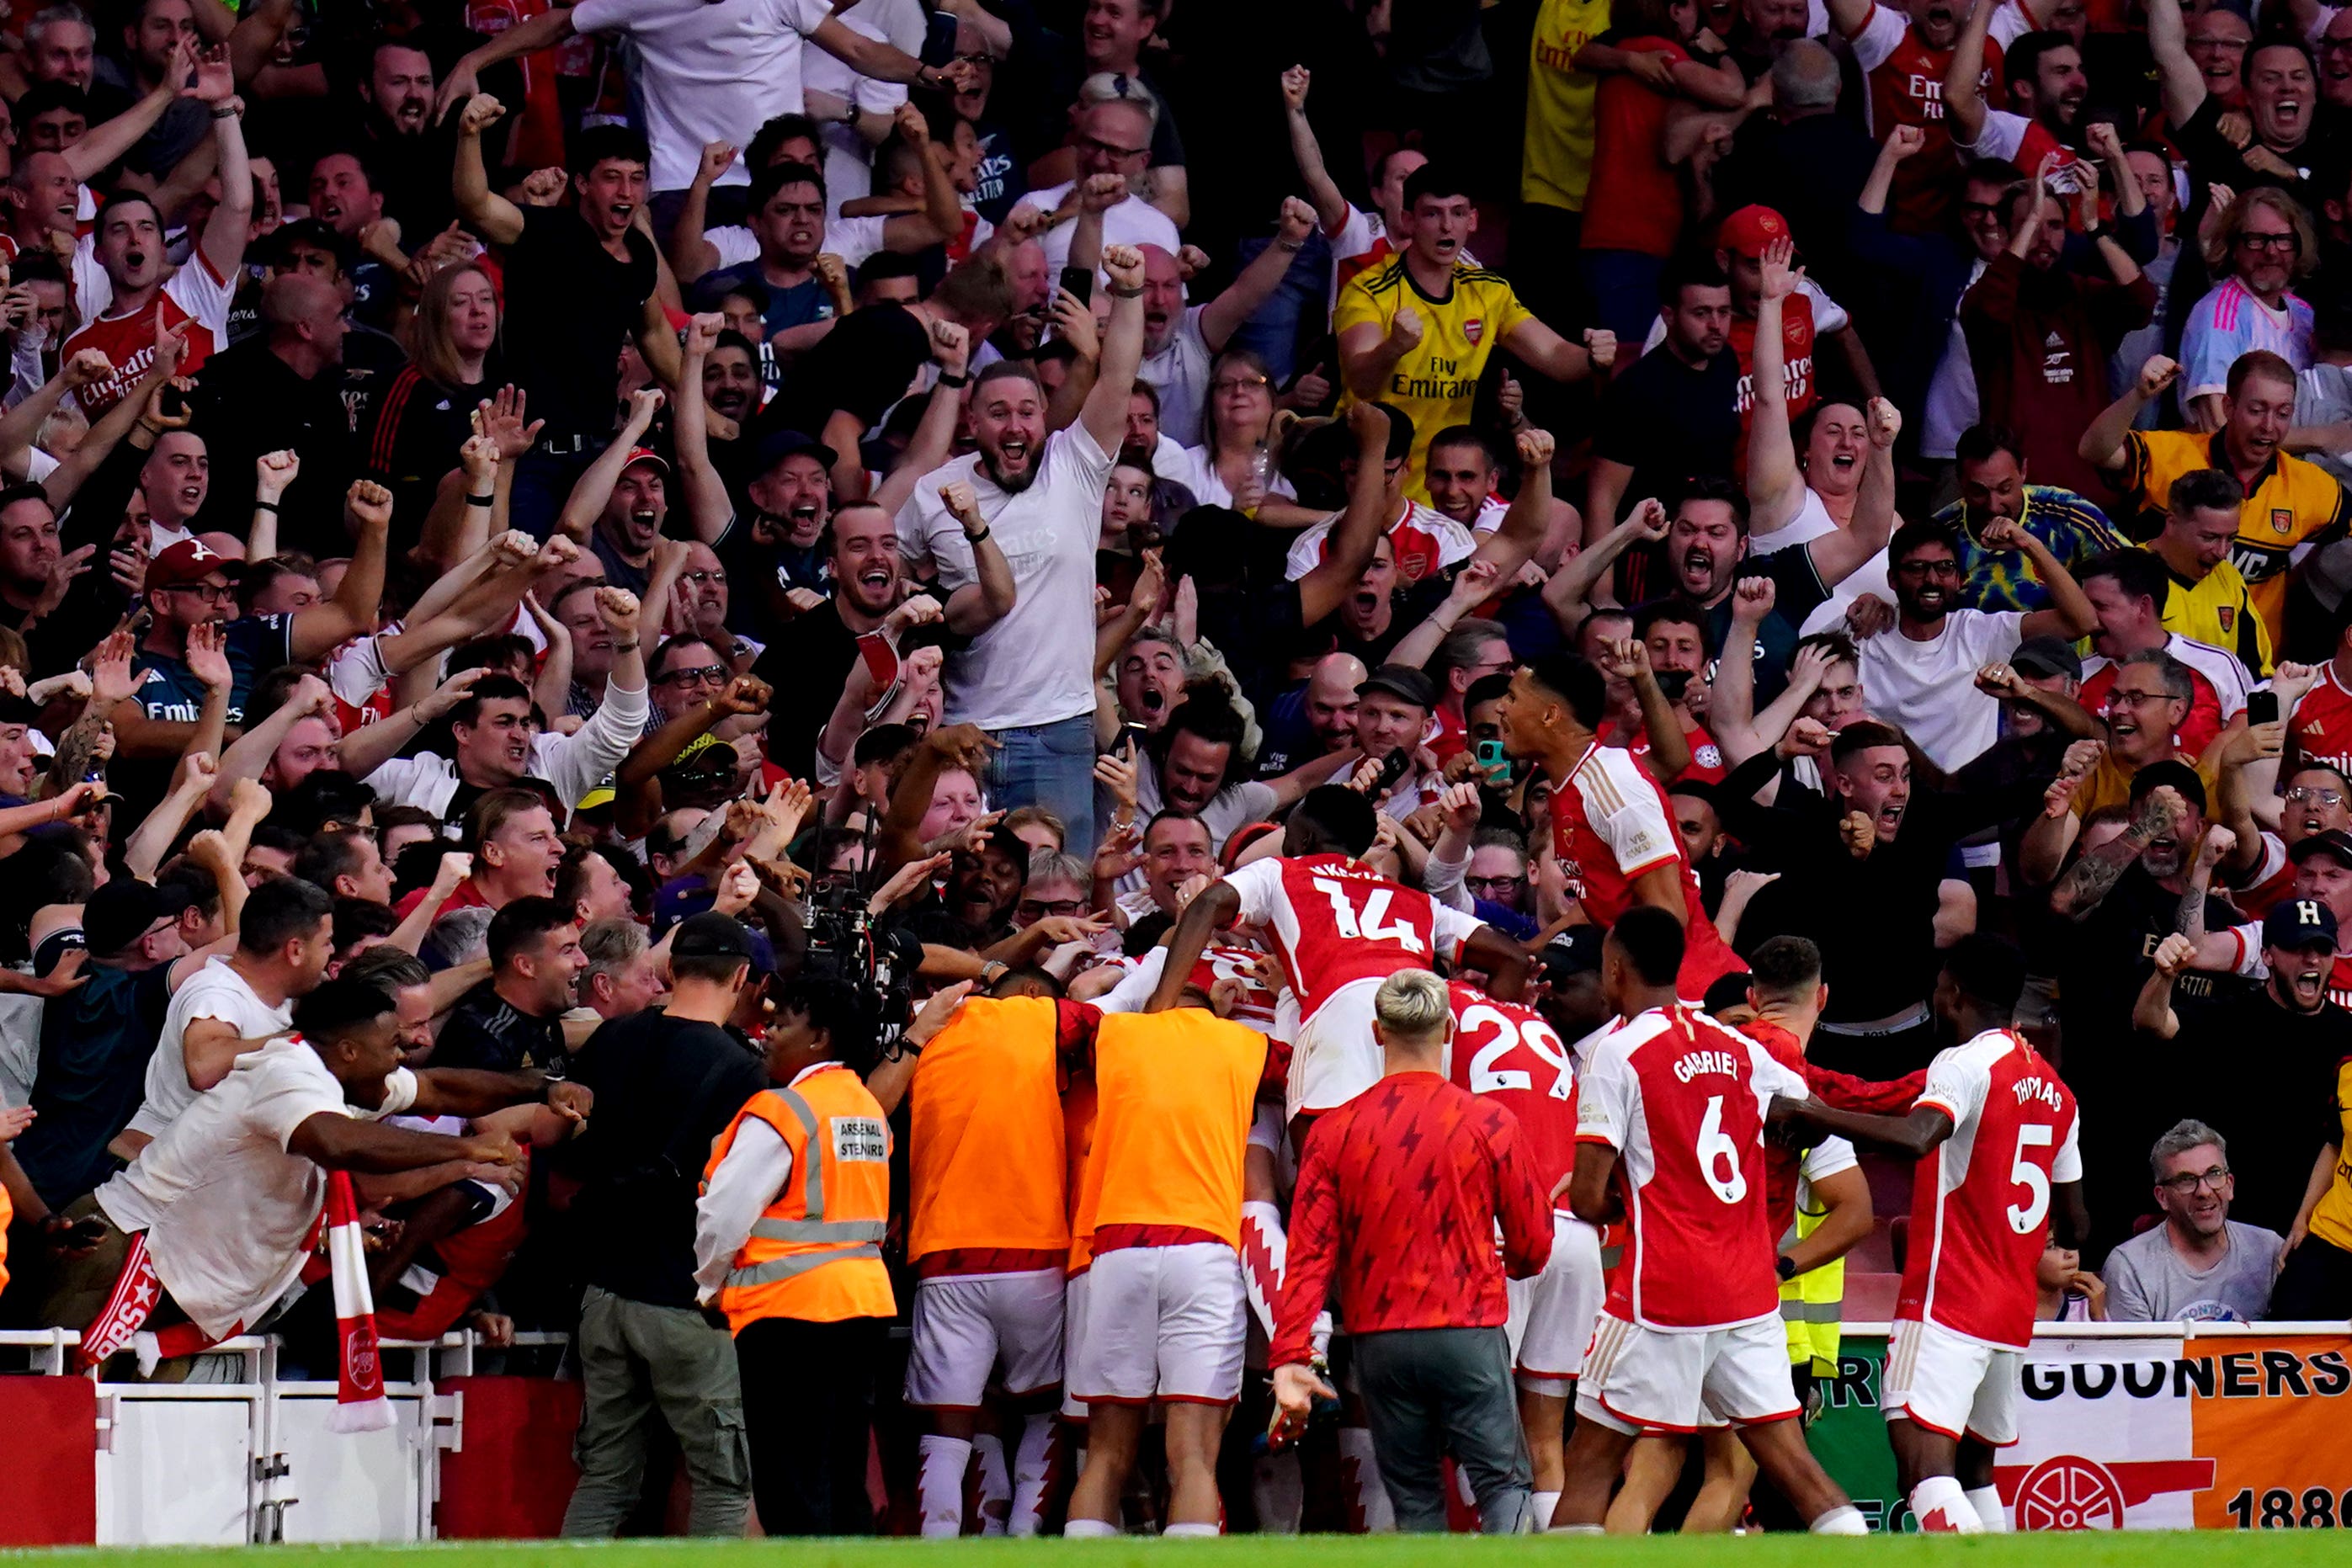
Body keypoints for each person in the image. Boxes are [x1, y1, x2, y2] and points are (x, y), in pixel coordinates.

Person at [67, 978, 570, 1373]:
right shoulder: (288, 1073)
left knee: (128, 1429)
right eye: (393, 1044)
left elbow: (440, 1088)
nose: (404, 1055)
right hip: (125, 1251)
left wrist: (542, 1086)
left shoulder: (334, 1072)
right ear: (351, 1050)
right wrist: (465, 1147)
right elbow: (336, 1142)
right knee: (64, 1413)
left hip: (179, 1271)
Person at [1552, 906, 1868, 1535]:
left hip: (1661, 1293)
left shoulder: (1618, 1054)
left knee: (1591, 1462)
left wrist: (1625, 1195)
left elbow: (1587, 1200)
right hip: (1747, 1293)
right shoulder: (1743, 1052)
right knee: (1793, 1466)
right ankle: (1859, 1548)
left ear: (1615, 970)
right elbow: (1811, 1116)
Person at [1791, 935, 2087, 1534]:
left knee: (1923, 1468)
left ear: (1951, 993)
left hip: (1949, 1297)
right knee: (1975, 1471)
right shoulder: (2058, 1090)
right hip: (2011, 1309)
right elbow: (2077, 1219)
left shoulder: (1963, 1063)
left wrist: (1813, 1114)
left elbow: (1920, 1135)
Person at [1268, 970, 1552, 1533]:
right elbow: (1533, 1243)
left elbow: (1307, 1257)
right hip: (1467, 1326)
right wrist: (1510, 1263)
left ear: (1378, 1032)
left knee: (1415, 1497)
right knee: (1503, 1483)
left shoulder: (1334, 1132)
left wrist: (1290, 1354)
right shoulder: (1490, 1121)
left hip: (1382, 1337)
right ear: (1449, 1030)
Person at [893, 243, 1151, 855]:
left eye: (1029, 412)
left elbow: (1118, 376)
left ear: (1044, 419)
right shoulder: (934, 492)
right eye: (999, 413)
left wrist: (1131, 293)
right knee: (968, 886)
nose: (1016, 426)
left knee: (1057, 885)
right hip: (967, 733)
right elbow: (888, 575)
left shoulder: (1076, 465)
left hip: (1060, 728)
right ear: (972, 424)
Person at [559, 912, 775, 1538]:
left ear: (669, 969)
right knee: (722, 1480)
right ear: (741, 976)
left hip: (602, 1294)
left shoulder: (611, 1038)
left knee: (605, 1476)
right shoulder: (742, 1069)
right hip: (684, 1298)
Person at [1147, 784, 1529, 1121]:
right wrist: (1476, 1048)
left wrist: (1158, 1010)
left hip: (1339, 1016)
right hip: (1420, 1029)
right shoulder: (1416, 901)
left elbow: (1209, 901)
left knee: (1323, 1177)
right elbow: (1512, 957)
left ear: (1304, 842)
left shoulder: (1281, 872)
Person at [699, 969, 901, 1536]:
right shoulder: (865, 1108)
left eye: (781, 1023)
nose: (766, 1032)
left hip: (788, 1310)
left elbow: (724, 1211)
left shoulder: (785, 1109)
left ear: (820, 1037)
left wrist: (709, 1283)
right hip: (862, 1307)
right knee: (841, 1475)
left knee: (791, 1483)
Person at [1063, 989, 1272, 1537]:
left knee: (1107, 1454)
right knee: (1194, 1457)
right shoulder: (1243, 1042)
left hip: (1117, 1252)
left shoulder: (1118, 1034)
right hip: (1202, 1250)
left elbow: (1077, 1013)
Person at [901, 987, 1083, 1539]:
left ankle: (943, 1543)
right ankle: (1023, 1536)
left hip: (946, 1253)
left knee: (951, 1419)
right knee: (1044, 1406)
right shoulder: (1042, 1019)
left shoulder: (922, 1030)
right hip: (1034, 1251)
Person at [1336, 163, 1611, 498]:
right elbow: (1360, 382)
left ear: (1473, 221)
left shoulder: (1489, 292)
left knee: (1562, 519)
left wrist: (1593, 358)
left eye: (1458, 212)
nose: (1446, 226)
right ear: (1409, 221)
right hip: (1374, 480)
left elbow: (1555, 357)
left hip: (1450, 488)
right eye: (1432, 214)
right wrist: (1393, 346)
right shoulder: (1368, 291)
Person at [1498, 653, 1744, 999]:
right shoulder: (1573, 784)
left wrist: (1615, 992)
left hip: (1692, 997)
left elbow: (1667, 921)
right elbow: (1600, 896)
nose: (1500, 709)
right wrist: (1527, 951)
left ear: (1550, 715)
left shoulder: (1613, 787)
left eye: (1512, 698)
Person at [2080, 352, 2349, 656]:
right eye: (2257, 410)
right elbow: (2094, 450)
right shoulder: (2171, 454)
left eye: (2283, 413)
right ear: (2229, 407)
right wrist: (2139, 395)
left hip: (2245, 672)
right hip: (2143, 658)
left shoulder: (2309, 486)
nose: (2269, 426)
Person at [119, 873, 333, 1151]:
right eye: (326, 942)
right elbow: (204, 1066)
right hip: (149, 1171)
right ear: (295, 950)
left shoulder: (276, 996)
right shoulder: (216, 992)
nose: (332, 951)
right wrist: (296, 1043)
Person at [2099, 1120, 2283, 1323]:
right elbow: (2138, 1354)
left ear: (2230, 1185)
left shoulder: (2269, 1250)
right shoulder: (2130, 1267)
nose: (2204, 1191)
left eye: (2214, 1174)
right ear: (2162, 1197)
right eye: (2186, 1180)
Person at [432, 897, 586, 1074]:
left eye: (579, 947)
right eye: (568, 950)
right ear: (525, 966)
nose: (584, 960)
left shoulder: (543, 1016)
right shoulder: (483, 1037)